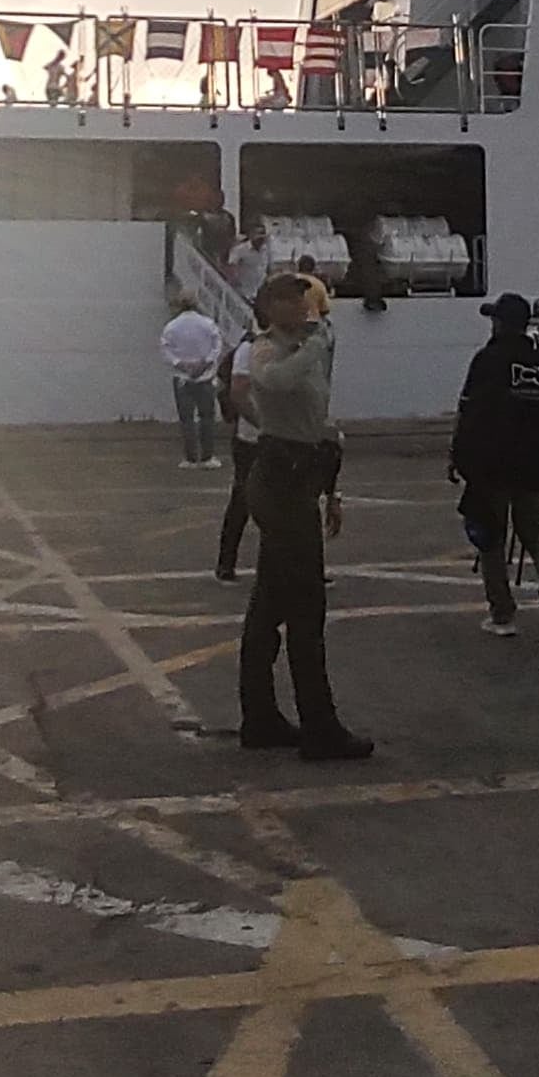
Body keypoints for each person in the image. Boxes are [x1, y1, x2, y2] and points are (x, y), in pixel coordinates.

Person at [224, 272, 369, 760]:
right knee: (305, 608)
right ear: (270, 307)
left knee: (271, 604)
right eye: (286, 300)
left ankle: (261, 717)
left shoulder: (309, 346)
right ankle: (319, 726)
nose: (299, 306)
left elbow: (313, 413)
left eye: (301, 298)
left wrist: (332, 483)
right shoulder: (266, 348)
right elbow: (273, 382)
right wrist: (317, 342)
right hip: (277, 476)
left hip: (298, 471)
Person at [451, 293, 539, 638]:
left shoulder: (488, 359)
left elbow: (469, 412)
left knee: (490, 538)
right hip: (538, 464)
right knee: (538, 531)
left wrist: (458, 457)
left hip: (494, 464)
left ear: (500, 323)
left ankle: (503, 613)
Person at [159, 293, 226, 468]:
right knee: (207, 417)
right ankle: (207, 457)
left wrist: (181, 364)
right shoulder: (208, 324)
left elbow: (166, 350)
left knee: (187, 419)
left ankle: (190, 458)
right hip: (205, 376)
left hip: (182, 377)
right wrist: (205, 362)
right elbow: (217, 345)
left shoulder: (171, 326)